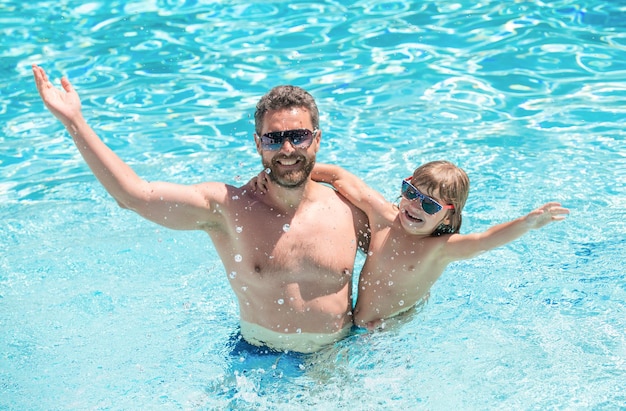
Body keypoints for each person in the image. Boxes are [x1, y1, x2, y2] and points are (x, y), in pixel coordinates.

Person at [32, 64, 369, 353]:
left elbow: (412, 249)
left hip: (336, 356)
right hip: (257, 360)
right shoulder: (228, 208)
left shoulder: (349, 210)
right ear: (257, 144)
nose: (287, 148)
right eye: (273, 139)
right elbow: (134, 195)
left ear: (317, 139)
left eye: (299, 136)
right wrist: (74, 122)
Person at [298, 160, 569, 329]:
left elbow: (484, 240)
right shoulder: (384, 216)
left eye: (429, 204)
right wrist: (293, 175)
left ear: (448, 214)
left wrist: (526, 223)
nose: (415, 205)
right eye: (411, 192)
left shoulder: (438, 249)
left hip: (385, 329)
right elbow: (338, 177)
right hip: (359, 319)